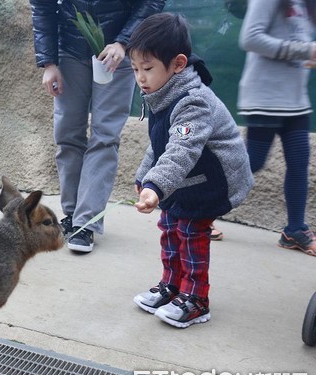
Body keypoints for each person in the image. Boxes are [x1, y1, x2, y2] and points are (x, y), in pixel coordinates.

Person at [128, 13, 254, 328]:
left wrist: (156, 186)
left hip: (214, 180)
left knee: (190, 230)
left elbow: (182, 150)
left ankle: (197, 299)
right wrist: (146, 178)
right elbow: (159, 146)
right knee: (169, 226)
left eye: (148, 69)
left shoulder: (193, 102)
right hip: (184, 178)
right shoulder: (160, 93)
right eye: (134, 70)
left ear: (178, 64)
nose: (140, 78)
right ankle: (172, 286)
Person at [29, 0, 166, 253]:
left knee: (105, 137)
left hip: (119, 52)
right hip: (69, 49)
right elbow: (42, 7)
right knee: (67, 133)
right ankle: (72, 215)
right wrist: (48, 63)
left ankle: (86, 223)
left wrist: (123, 42)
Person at [238, 0, 316, 257]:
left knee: (299, 163)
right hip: (264, 98)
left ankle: (294, 230)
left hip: (295, 99)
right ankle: (201, 211)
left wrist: (308, 54)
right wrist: (304, 51)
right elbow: (250, 39)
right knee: (253, 163)